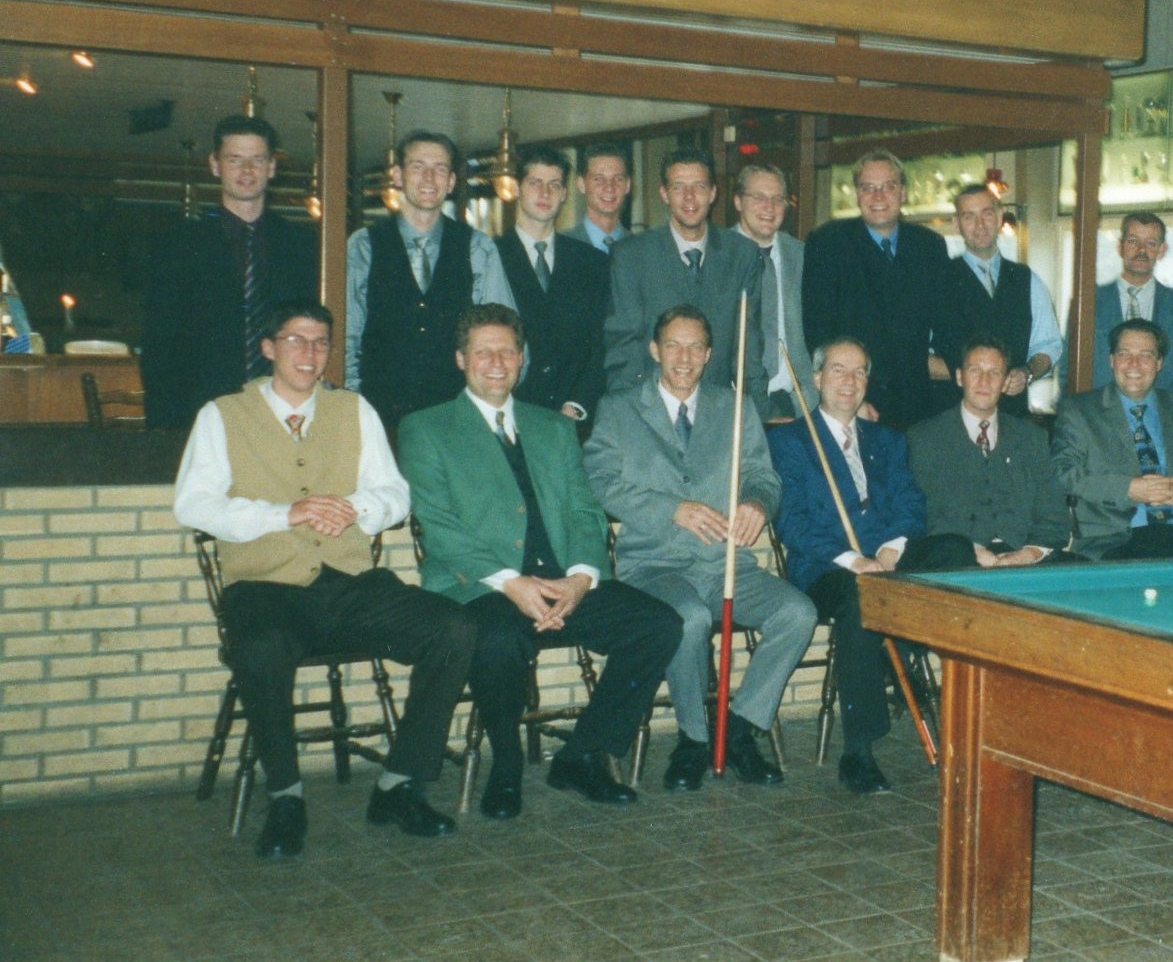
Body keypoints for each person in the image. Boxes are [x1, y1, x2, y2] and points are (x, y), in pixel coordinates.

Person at [172, 300, 474, 858]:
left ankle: (399, 783)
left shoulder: (354, 410)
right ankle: (286, 798)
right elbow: (193, 505)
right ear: (268, 347)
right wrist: (283, 514)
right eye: (295, 340)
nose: (309, 354)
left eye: (320, 343)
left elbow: (395, 494)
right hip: (264, 587)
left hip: (349, 583)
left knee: (453, 628)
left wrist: (356, 509)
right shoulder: (222, 414)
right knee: (259, 648)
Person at [399, 305, 679, 820]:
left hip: (562, 582)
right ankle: (506, 765)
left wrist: (580, 578)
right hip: (480, 587)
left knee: (658, 624)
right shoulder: (426, 428)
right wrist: (512, 583)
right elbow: (440, 528)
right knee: (497, 642)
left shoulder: (552, 427)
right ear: (461, 359)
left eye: (507, 351)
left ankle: (582, 755)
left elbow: (584, 511)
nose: (496, 362)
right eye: (483, 352)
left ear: (522, 358)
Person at [584, 305, 813, 791]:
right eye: (673, 346)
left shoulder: (734, 407)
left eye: (695, 348)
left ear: (709, 355)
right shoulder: (619, 409)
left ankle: (739, 730)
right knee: (687, 618)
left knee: (798, 613)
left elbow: (763, 476)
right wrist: (673, 509)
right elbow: (600, 482)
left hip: (725, 564)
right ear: (654, 350)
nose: (684, 358)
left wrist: (757, 502)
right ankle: (692, 739)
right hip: (654, 565)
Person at [767, 337, 976, 793]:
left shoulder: (887, 439)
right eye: (838, 370)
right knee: (862, 601)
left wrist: (890, 551)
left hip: (885, 559)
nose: (850, 380)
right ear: (817, 378)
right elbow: (792, 523)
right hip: (826, 568)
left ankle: (900, 646)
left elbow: (911, 504)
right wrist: (855, 560)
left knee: (955, 551)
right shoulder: (790, 440)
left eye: (859, 371)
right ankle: (858, 751)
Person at [142, 115, 318, 428]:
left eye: (257, 160)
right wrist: (166, 428)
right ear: (215, 165)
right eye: (235, 159)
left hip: (284, 413)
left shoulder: (303, 245)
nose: (247, 171)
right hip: (200, 413)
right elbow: (159, 346)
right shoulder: (178, 246)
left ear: (272, 167)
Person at [345, 130, 514, 430]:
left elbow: (501, 335)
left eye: (439, 169)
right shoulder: (363, 245)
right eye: (418, 167)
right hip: (377, 416)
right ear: (398, 175)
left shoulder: (478, 247)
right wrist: (354, 404)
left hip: (456, 418)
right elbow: (347, 335)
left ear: (451, 182)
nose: (428, 178)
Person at [802, 149, 954, 430]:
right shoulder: (828, 243)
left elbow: (947, 322)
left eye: (888, 186)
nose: (878, 196)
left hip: (917, 403)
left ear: (903, 193)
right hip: (854, 402)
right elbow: (818, 332)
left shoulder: (929, 246)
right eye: (868, 187)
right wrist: (851, 398)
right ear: (857, 195)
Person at [1055, 318, 1173, 559]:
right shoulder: (1080, 411)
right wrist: (1128, 489)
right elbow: (1062, 473)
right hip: (1114, 540)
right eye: (1124, 354)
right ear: (1111, 360)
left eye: (1146, 355)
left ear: (1159, 363)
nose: (1133, 364)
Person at [603, 149, 766, 397]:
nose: (689, 197)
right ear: (664, 194)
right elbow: (623, 344)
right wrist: (631, 408)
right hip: (650, 404)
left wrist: (758, 407)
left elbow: (748, 344)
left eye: (699, 186)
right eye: (678, 187)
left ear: (713, 193)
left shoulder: (742, 254)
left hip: (717, 405)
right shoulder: (631, 256)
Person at [907, 333, 1074, 565]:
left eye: (994, 372)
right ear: (959, 377)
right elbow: (925, 517)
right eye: (975, 370)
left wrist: (1029, 553)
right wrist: (973, 552)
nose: (984, 381)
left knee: (1080, 568)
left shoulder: (1031, 438)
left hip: (1022, 557)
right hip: (956, 559)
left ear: (1005, 382)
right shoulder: (925, 438)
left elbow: (1054, 516)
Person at [494, 144, 609, 421]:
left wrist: (576, 406)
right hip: (509, 415)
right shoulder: (491, 256)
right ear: (518, 188)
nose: (545, 193)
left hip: (573, 419)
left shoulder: (591, 261)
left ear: (564, 194)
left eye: (554, 185)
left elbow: (602, 342)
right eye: (535, 182)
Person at [938, 184, 1064, 418]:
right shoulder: (936, 281)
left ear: (999, 217)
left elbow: (1048, 346)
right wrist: (970, 373)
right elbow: (918, 356)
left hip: (1012, 420)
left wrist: (1027, 372)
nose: (980, 225)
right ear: (956, 224)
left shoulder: (1028, 280)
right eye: (969, 216)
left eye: (986, 214)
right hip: (952, 419)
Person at [729, 164, 817, 420]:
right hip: (734, 404)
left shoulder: (804, 256)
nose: (769, 207)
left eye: (778, 199)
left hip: (798, 402)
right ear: (738, 201)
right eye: (759, 197)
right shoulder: (717, 255)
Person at [1091, 211, 1173, 391]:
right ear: (1120, 247)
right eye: (1133, 241)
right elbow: (1068, 369)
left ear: (1162, 250)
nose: (1141, 250)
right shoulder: (1089, 303)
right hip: (1098, 405)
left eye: (1151, 243)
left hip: (1161, 404)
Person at [565, 143, 633, 254]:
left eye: (618, 179)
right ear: (582, 184)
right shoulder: (561, 248)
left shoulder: (642, 249)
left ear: (628, 185)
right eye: (599, 179)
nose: (609, 187)